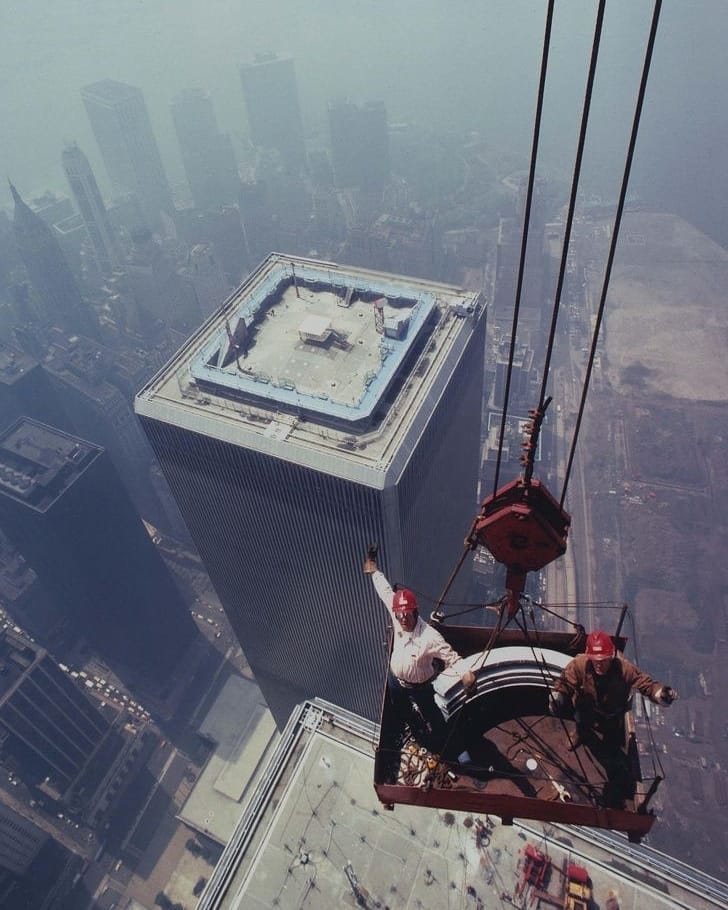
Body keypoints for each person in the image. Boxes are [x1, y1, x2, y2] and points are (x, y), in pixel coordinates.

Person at [363, 549, 476, 759]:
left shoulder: (429, 637)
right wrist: (374, 570)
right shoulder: (397, 616)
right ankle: (415, 727)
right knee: (401, 708)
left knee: (434, 717)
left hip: (419, 688)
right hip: (396, 680)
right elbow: (386, 592)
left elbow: (451, 658)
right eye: (400, 614)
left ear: (415, 612)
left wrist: (467, 674)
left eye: (407, 614)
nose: (402, 619)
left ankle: (450, 749)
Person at [549, 630, 677, 749]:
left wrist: (660, 693)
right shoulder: (580, 664)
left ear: (611, 656)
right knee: (581, 723)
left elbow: (646, 684)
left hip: (611, 712)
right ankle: (579, 735)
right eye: (595, 660)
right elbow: (565, 682)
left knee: (611, 735)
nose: (598, 664)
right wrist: (558, 696)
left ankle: (609, 749)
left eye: (603, 660)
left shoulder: (625, 669)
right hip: (586, 707)